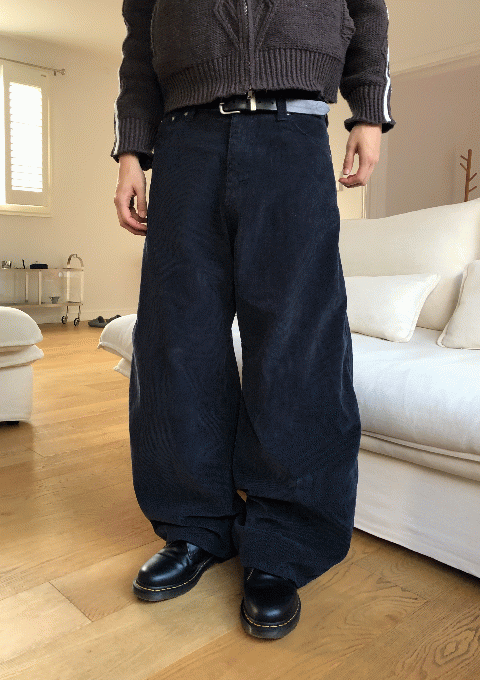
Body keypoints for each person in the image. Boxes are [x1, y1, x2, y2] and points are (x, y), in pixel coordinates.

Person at [111, 0, 396, 640]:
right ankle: (193, 526)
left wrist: (369, 110)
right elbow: (139, 43)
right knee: (176, 339)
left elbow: (368, 10)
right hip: (183, 140)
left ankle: (284, 543)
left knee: (297, 343)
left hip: (293, 132)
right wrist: (131, 150)